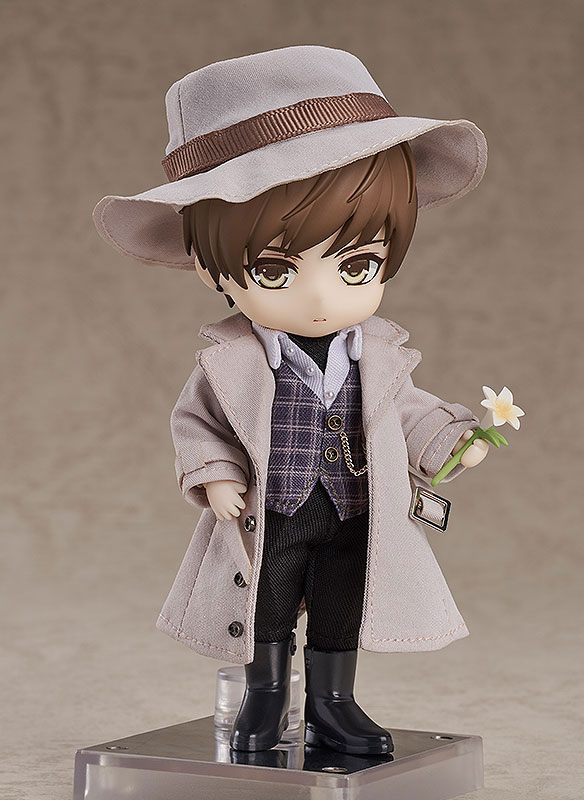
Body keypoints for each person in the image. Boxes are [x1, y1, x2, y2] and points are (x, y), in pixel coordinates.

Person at [93, 45, 490, 755]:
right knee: (264, 604)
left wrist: (452, 439)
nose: (320, 296)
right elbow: (198, 422)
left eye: (358, 264)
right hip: (271, 512)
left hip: (353, 510)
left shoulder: (377, 355)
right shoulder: (230, 362)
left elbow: (405, 410)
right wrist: (216, 476)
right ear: (212, 267)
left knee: (343, 605)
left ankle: (334, 703)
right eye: (275, 270)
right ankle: (266, 698)